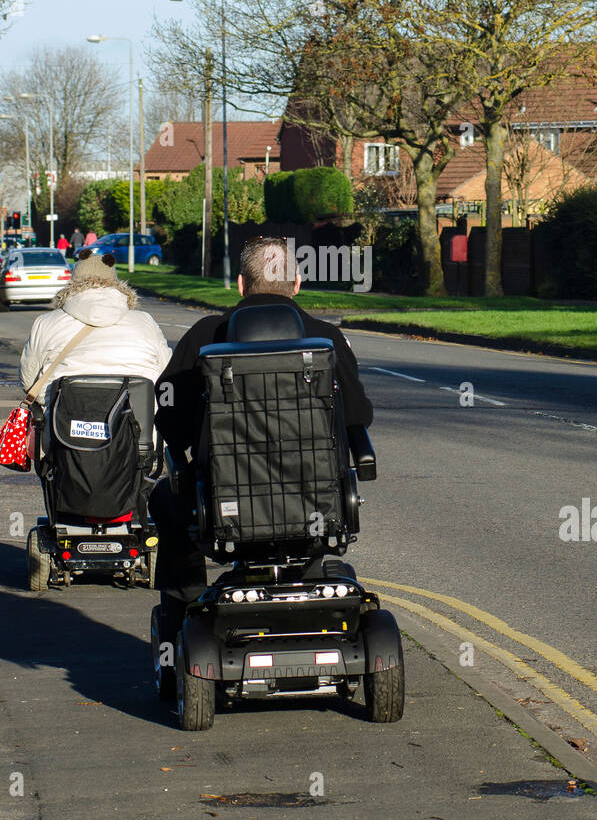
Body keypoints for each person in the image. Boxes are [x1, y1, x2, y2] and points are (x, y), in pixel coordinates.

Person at [152, 235, 373, 632]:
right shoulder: (326, 338)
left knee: (164, 500)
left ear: (241, 284)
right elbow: (357, 415)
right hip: (314, 499)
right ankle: (310, 576)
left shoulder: (205, 336)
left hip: (223, 505)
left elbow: (169, 416)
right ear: (297, 283)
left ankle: (181, 613)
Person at [19, 250, 171, 411]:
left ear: (73, 282)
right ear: (116, 282)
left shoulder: (46, 322)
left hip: (64, 421)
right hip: (136, 420)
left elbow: (29, 380)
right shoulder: (145, 321)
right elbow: (167, 370)